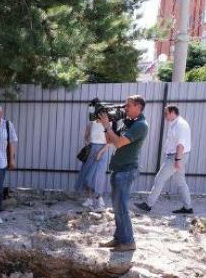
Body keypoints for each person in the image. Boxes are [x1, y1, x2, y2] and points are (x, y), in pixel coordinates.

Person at [97, 95, 150, 252]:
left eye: (128, 105)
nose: (124, 108)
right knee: (117, 207)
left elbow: (119, 143)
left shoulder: (140, 125)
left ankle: (128, 242)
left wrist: (107, 126)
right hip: (119, 169)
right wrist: (109, 125)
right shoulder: (130, 123)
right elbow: (109, 140)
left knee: (122, 207)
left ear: (138, 107)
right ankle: (119, 238)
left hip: (127, 170)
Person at [136, 105, 193, 215]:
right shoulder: (177, 123)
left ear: (172, 113)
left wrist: (177, 160)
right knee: (180, 181)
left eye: (166, 113)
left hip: (176, 156)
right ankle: (188, 207)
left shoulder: (180, 125)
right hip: (179, 156)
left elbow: (181, 145)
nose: (164, 116)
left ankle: (148, 205)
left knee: (159, 178)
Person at [75, 114, 111, 210]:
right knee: (88, 175)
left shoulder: (108, 124)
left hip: (102, 151)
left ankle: (99, 198)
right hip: (91, 150)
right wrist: (86, 142)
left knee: (99, 176)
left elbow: (109, 142)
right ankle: (89, 199)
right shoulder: (91, 124)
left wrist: (100, 152)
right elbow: (86, 137)